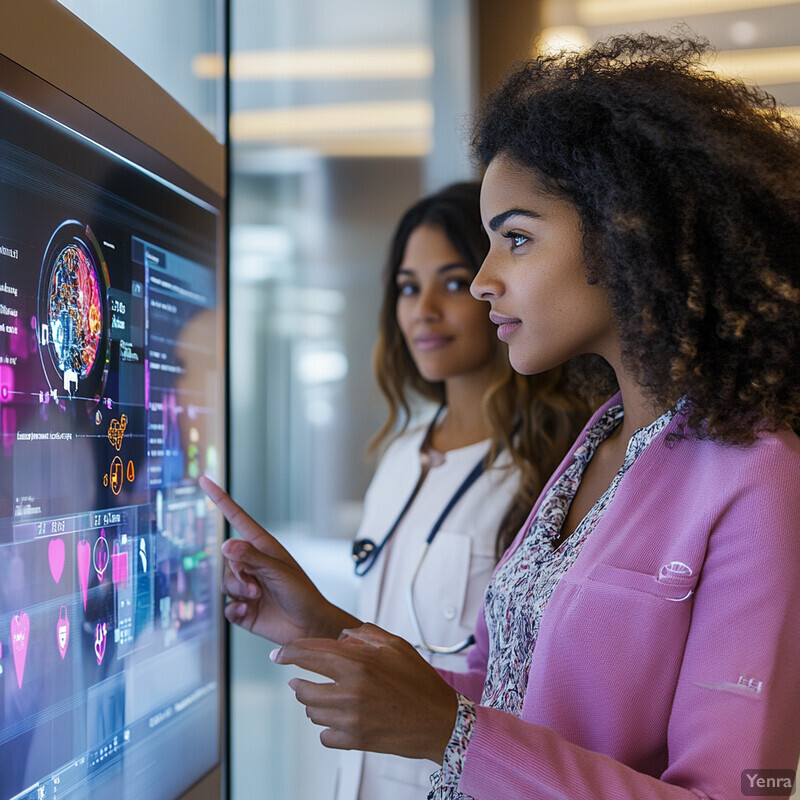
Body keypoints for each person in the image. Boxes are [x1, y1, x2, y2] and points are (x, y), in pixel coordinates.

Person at [202, 32, 800, 800]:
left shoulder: (758, 476)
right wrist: (323, 627)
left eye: (515, 239)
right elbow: (513, 691)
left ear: (629, 235)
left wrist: (451, 736)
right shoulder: (603, 439)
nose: (483, 283)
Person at [340, 182, 588, 800]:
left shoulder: (551, 469)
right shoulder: (398, 456)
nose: (423, 309)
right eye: (406, 287)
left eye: (451, 282)